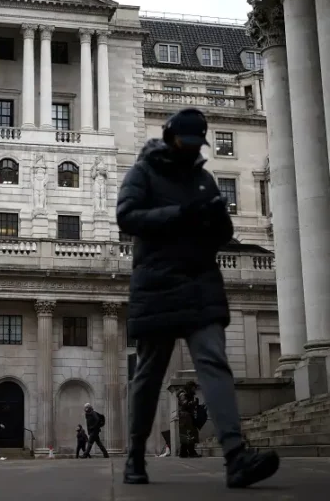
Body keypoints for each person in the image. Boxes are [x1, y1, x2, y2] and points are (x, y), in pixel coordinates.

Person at [117, 107, 279, 489]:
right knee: (149, 373)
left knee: (214, 363)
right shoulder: (143, 172)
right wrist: (180, 214)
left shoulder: (205, 179)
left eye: (196, 145)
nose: (191, 150)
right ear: (171, 137)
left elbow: (220, 232)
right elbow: (127, 217)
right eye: (186, 143)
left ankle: (236, 456)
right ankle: (135, 455)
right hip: (157, 281)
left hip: (201, 280)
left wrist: (217, 220)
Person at [177, 382, 200, 458]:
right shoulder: (183, 394)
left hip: (188, 416)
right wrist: (192, 403)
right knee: (189, 434)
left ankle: (184, 452)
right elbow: (184, 404)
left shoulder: (189, 394)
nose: (194, 390)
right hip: (185, 416)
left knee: (188, 434)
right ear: (190, 387)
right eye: (194, 388)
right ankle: (190, 452)